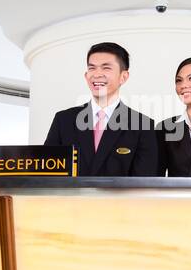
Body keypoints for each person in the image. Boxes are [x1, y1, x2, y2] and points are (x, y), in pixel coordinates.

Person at [44, 41, 158, 177]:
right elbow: (46, 173)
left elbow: (143, 183)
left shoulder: (142, 126)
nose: (97, 74)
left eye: (106, 68)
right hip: (71, 199)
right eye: (92, 68)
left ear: (123, 77)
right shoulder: (63, 120)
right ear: (86, 76)